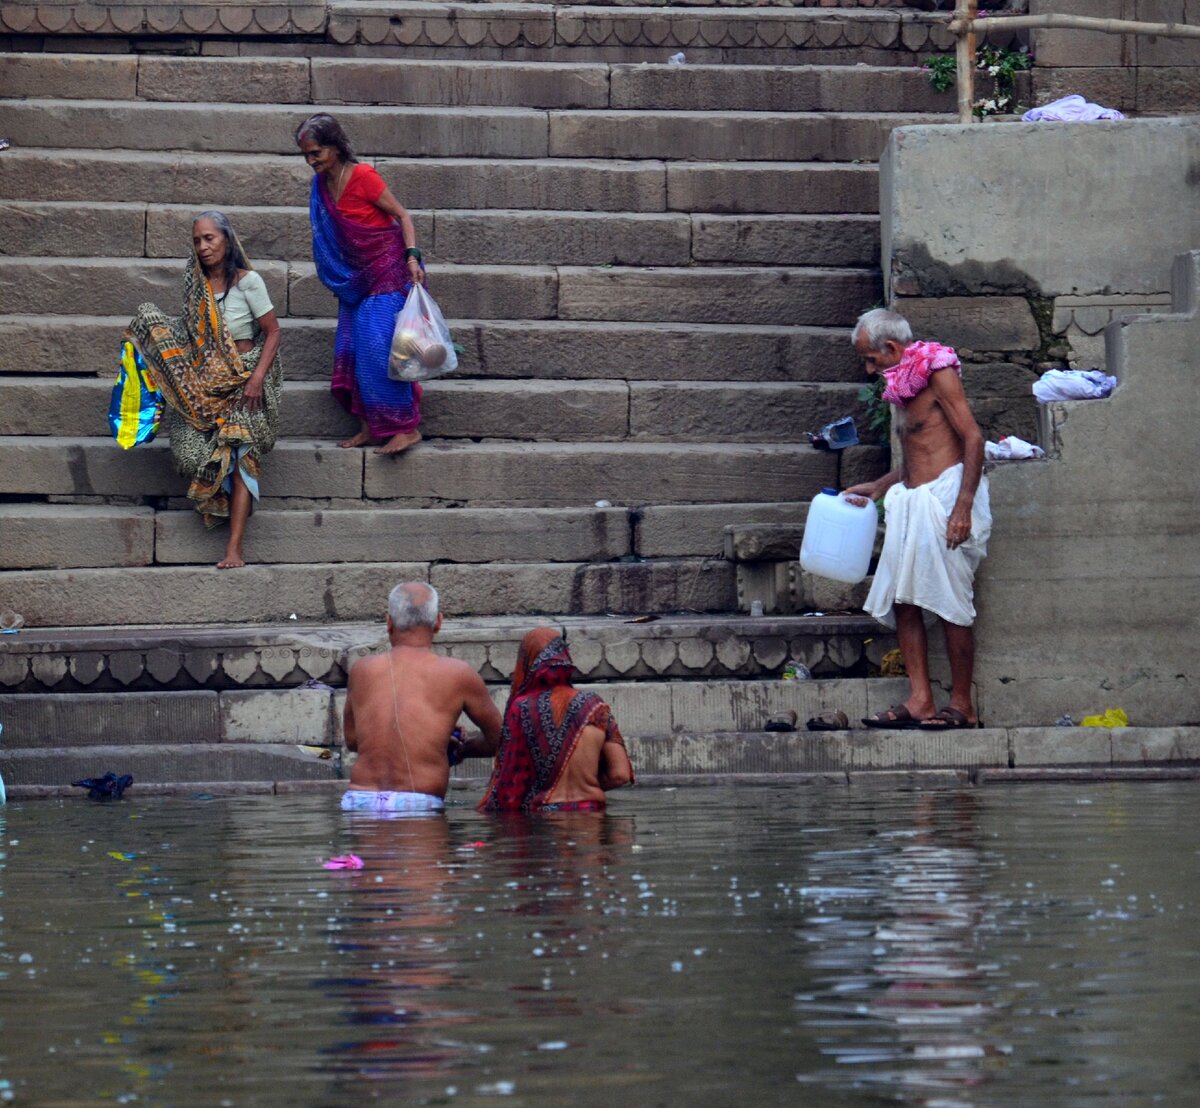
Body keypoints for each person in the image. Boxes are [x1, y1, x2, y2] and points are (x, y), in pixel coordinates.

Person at [844, 308, 991, 730]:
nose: (870, 370)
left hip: (945, 501)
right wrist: (880, 485)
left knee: (950, 604)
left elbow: (973, 438)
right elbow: (916, 452)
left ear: (892, 348)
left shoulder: (938, 371)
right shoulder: (901, 381)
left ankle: (962, 705)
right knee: (905, 602)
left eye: (872, 360)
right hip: (912, 499)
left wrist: (962, 506)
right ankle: (921, 699)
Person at [125, 211, 282, 569]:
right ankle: (225, 497)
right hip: (202, 385)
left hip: (243, 382)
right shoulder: (195, 285)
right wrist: (154, 331)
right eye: (197, 240)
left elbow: (273, 332)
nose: (203, 246)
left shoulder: (248, 282)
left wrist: (256, 378)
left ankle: (234, 549)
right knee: (189, 457)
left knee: (241, 450)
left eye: (210, 238)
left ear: (227, 240)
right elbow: (193, 332)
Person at [295, 113, 426, 455]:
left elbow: (402, 215)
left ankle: (406, 428)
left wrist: (412, 256)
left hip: (387, 270)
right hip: (355, 279)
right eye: (306, 155)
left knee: (377, 346)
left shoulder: (364, 176)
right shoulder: (321, 186)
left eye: (316, 153)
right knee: (352, 350)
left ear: (335, 148)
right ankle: (369, 426)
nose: (311, 161)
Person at [342, 582, 502, 816]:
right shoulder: (458, 673)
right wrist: (460, 749)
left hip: (360, 799)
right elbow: (500, 739)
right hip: (418, 803)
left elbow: (353, 740)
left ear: (388, 623)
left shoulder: (361, 670)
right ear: (438, 622)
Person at [478, 628, 635, 814]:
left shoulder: (520, 708)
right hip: (591, 813)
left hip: (544, 817)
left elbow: (510, 782)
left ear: (526, 663)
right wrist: (585, 789)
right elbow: (620, 774)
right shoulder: (595, 706)